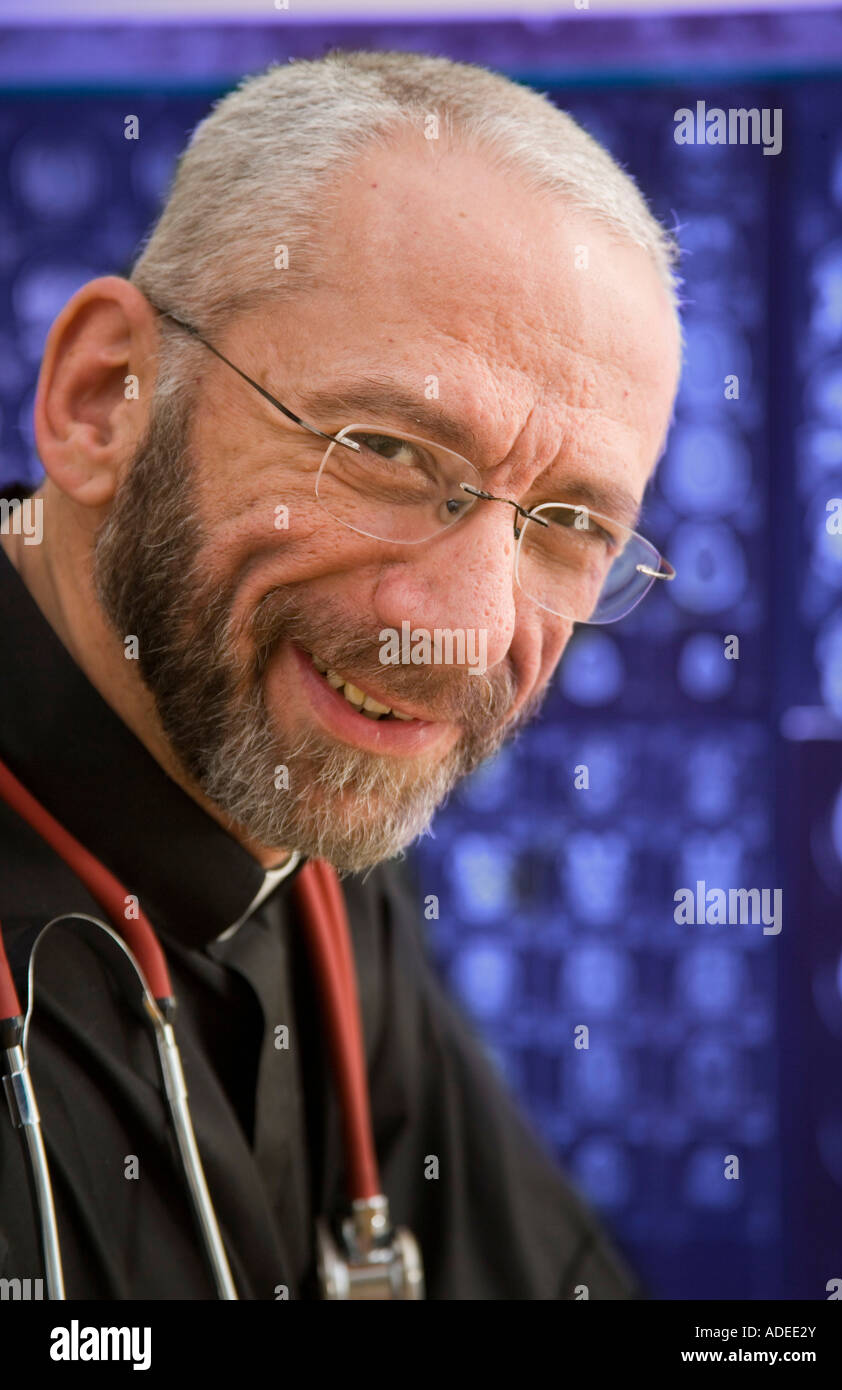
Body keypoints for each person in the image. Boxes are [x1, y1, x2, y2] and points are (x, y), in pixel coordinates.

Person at [0, 48, 681, 1300]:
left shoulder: (308, 836)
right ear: (105, 402)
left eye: (570, 525)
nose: (465, 635)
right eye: (384, 450)